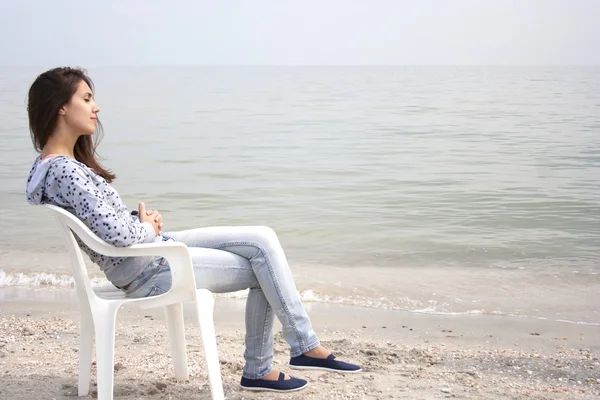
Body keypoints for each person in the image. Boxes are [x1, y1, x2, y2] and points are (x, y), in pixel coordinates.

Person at [25, 67, 361, 393]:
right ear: (62, 107)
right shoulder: (64, 172)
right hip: (150, 269)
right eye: (87, 98)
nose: (96, 106)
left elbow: (106, 226)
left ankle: (297, 348)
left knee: (262, 238)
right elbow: (119, 236)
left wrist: (141, 222)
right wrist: (144, 227)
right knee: (264, 266)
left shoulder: (53, 168)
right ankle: (272, 363)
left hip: (152, 253)